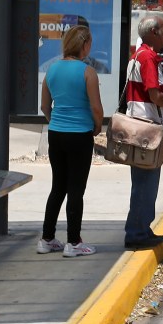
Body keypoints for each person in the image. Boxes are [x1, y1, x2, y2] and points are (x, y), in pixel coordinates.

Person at [38, 25, 104, 257]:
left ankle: (47, 239)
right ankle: (73, 242)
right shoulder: (88, 72)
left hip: (56, 134)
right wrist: (97, 126)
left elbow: (45, 106)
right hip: (79, 135)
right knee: (76, 189)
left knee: (58, 187)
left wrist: (56, 121)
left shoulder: (52, 70)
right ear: (84, 44)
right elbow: (96, 107)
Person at [124, 16, 163, 249]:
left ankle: (140, 228)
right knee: (146, 184)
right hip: (147, 129)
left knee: (142, 182)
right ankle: (137, 233)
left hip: (139, 127)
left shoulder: (138, 55)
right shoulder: (148, 57)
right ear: (152, 32)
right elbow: (155, 95)